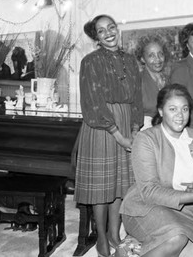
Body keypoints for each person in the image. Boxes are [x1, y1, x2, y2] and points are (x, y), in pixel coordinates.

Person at [120, 83, 193, 257]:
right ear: (161, 111)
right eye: (173, 109)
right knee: (176, 238)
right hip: (147, 207)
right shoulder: (146, 139)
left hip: (187, 211)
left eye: (184, 109)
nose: (180, 116)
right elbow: (149, 191)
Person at [74, 14, 143, 257]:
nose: (108, 33)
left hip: (125, 123)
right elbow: (92, 103)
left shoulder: (131, 61)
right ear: (97, 37)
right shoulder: (90, 61)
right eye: (101, 31)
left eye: (111, 27)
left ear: (117, 29)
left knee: (119, 185)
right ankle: (101, 237)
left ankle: (115, 234)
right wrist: (119, 135)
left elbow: (137, 98)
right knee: (101, 187)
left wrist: (134, 130)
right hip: (102, 128)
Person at [134, 33, 170, 130]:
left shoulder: (170, 80)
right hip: (145, 132)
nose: (158, 59)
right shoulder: (137, 81)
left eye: (160, 54)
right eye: (151, 55)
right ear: (142, 59)